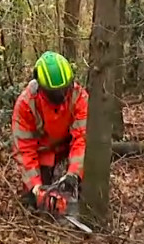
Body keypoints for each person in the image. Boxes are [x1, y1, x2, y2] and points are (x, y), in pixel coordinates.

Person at [11, 50, 88, 212]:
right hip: (42, 154)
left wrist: (74, 173)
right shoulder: (26, 104)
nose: (61, 96)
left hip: (68, 151)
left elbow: (82, 138)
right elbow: (24, 149)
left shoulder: (79, 97)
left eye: (64, 89)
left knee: (81, 188)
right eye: (55, 93)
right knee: (35, 202)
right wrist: (35, 186)